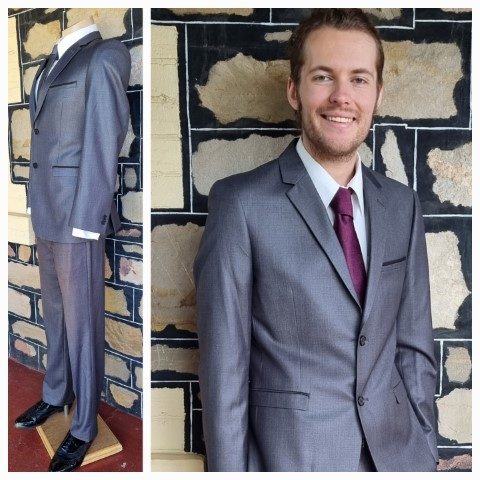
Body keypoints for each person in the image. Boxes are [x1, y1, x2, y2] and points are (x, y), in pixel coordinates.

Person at [194, 8, 438, 472]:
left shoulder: (402, 206)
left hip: (399, 457)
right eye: (323, 76)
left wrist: (425, 448)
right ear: (295, 90)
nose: (342, 96)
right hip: (294, 459)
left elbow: (413, 346)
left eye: (359, 79)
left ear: (378, 94)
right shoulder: (240, 204)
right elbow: (224, 373)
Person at [14, 18, 131, 472]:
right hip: (46, 212)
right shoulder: (50, 64)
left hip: (77, 220)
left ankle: (83, 426)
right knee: (55, 314)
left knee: (83, 326)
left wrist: (88, 221)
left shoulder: (104, 55)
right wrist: (32, 202)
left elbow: (104, 140)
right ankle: (55, 393)